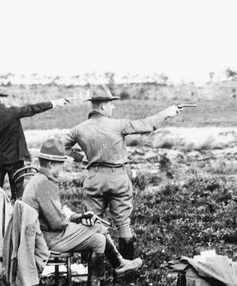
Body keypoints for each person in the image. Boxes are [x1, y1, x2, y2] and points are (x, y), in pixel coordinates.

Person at [63, 86, 182, 260]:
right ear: (103, 106)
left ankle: (90, 271)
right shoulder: (119, 124)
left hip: (94, 178)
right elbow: (147, 124)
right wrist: (168, 112)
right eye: (111, 104)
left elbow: (59, 146)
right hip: (118, 177)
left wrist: (80, 158)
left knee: (90, 223)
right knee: (123, 224)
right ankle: (125, 269)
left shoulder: (78, 129)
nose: (113, 107)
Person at [21, 137, 143, 286]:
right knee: (97, 227)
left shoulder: (39, 179)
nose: (62, 168)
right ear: (51, 164)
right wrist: (75, 220)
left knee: (99, 239)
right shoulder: (44, 184)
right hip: (47, 239)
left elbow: (54, 214)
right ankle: (119, 264)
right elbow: (57, 222)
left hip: (43, 235)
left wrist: (78, 217)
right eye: (61, 164)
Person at [0, 87, 68, 200]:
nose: (7, 99)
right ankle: (18, 215)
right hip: (15, 160)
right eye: (6, 97)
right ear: (1, 98)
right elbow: (34, 108)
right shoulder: (12, 112)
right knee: (18, 193)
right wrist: (55, 103)